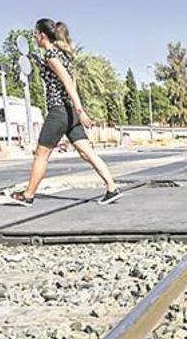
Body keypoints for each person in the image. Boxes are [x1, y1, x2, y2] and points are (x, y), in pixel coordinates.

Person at [10, 19, 121, 206]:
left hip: (59, 111)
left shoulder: (52, 55)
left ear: (42, 35)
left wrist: (81, 109)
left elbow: (68, 82)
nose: (34, 37)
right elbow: (60, 77)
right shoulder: (60, 55)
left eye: (35, 34)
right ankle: (112, 188)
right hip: (69, 113)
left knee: (41, 154)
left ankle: (28, 195)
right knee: (87, 153)